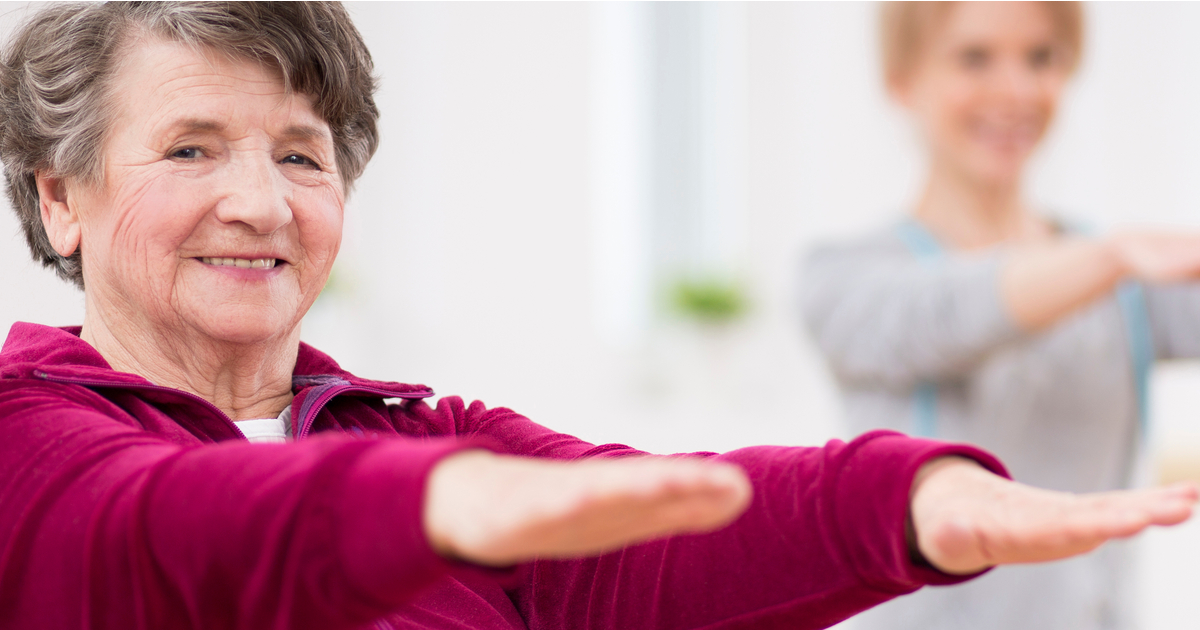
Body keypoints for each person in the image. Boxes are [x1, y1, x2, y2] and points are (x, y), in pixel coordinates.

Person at [0, 3, 1193, 629]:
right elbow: (164, 534)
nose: (259, 203)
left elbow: (667, 526)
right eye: (191, 147)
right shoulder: (30, 444)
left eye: (302, 157)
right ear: (62, 198)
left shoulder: (415, 431)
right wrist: (426, 507)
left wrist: (913, 501)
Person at [802, 2, 1200, 629]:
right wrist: (1109, 257)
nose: (1015, 90)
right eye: (974, 58)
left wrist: (1113, 261)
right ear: (902, 78)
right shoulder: (847, 276)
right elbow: (943, 318)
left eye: (1040, 57)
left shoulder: (1129, 283)